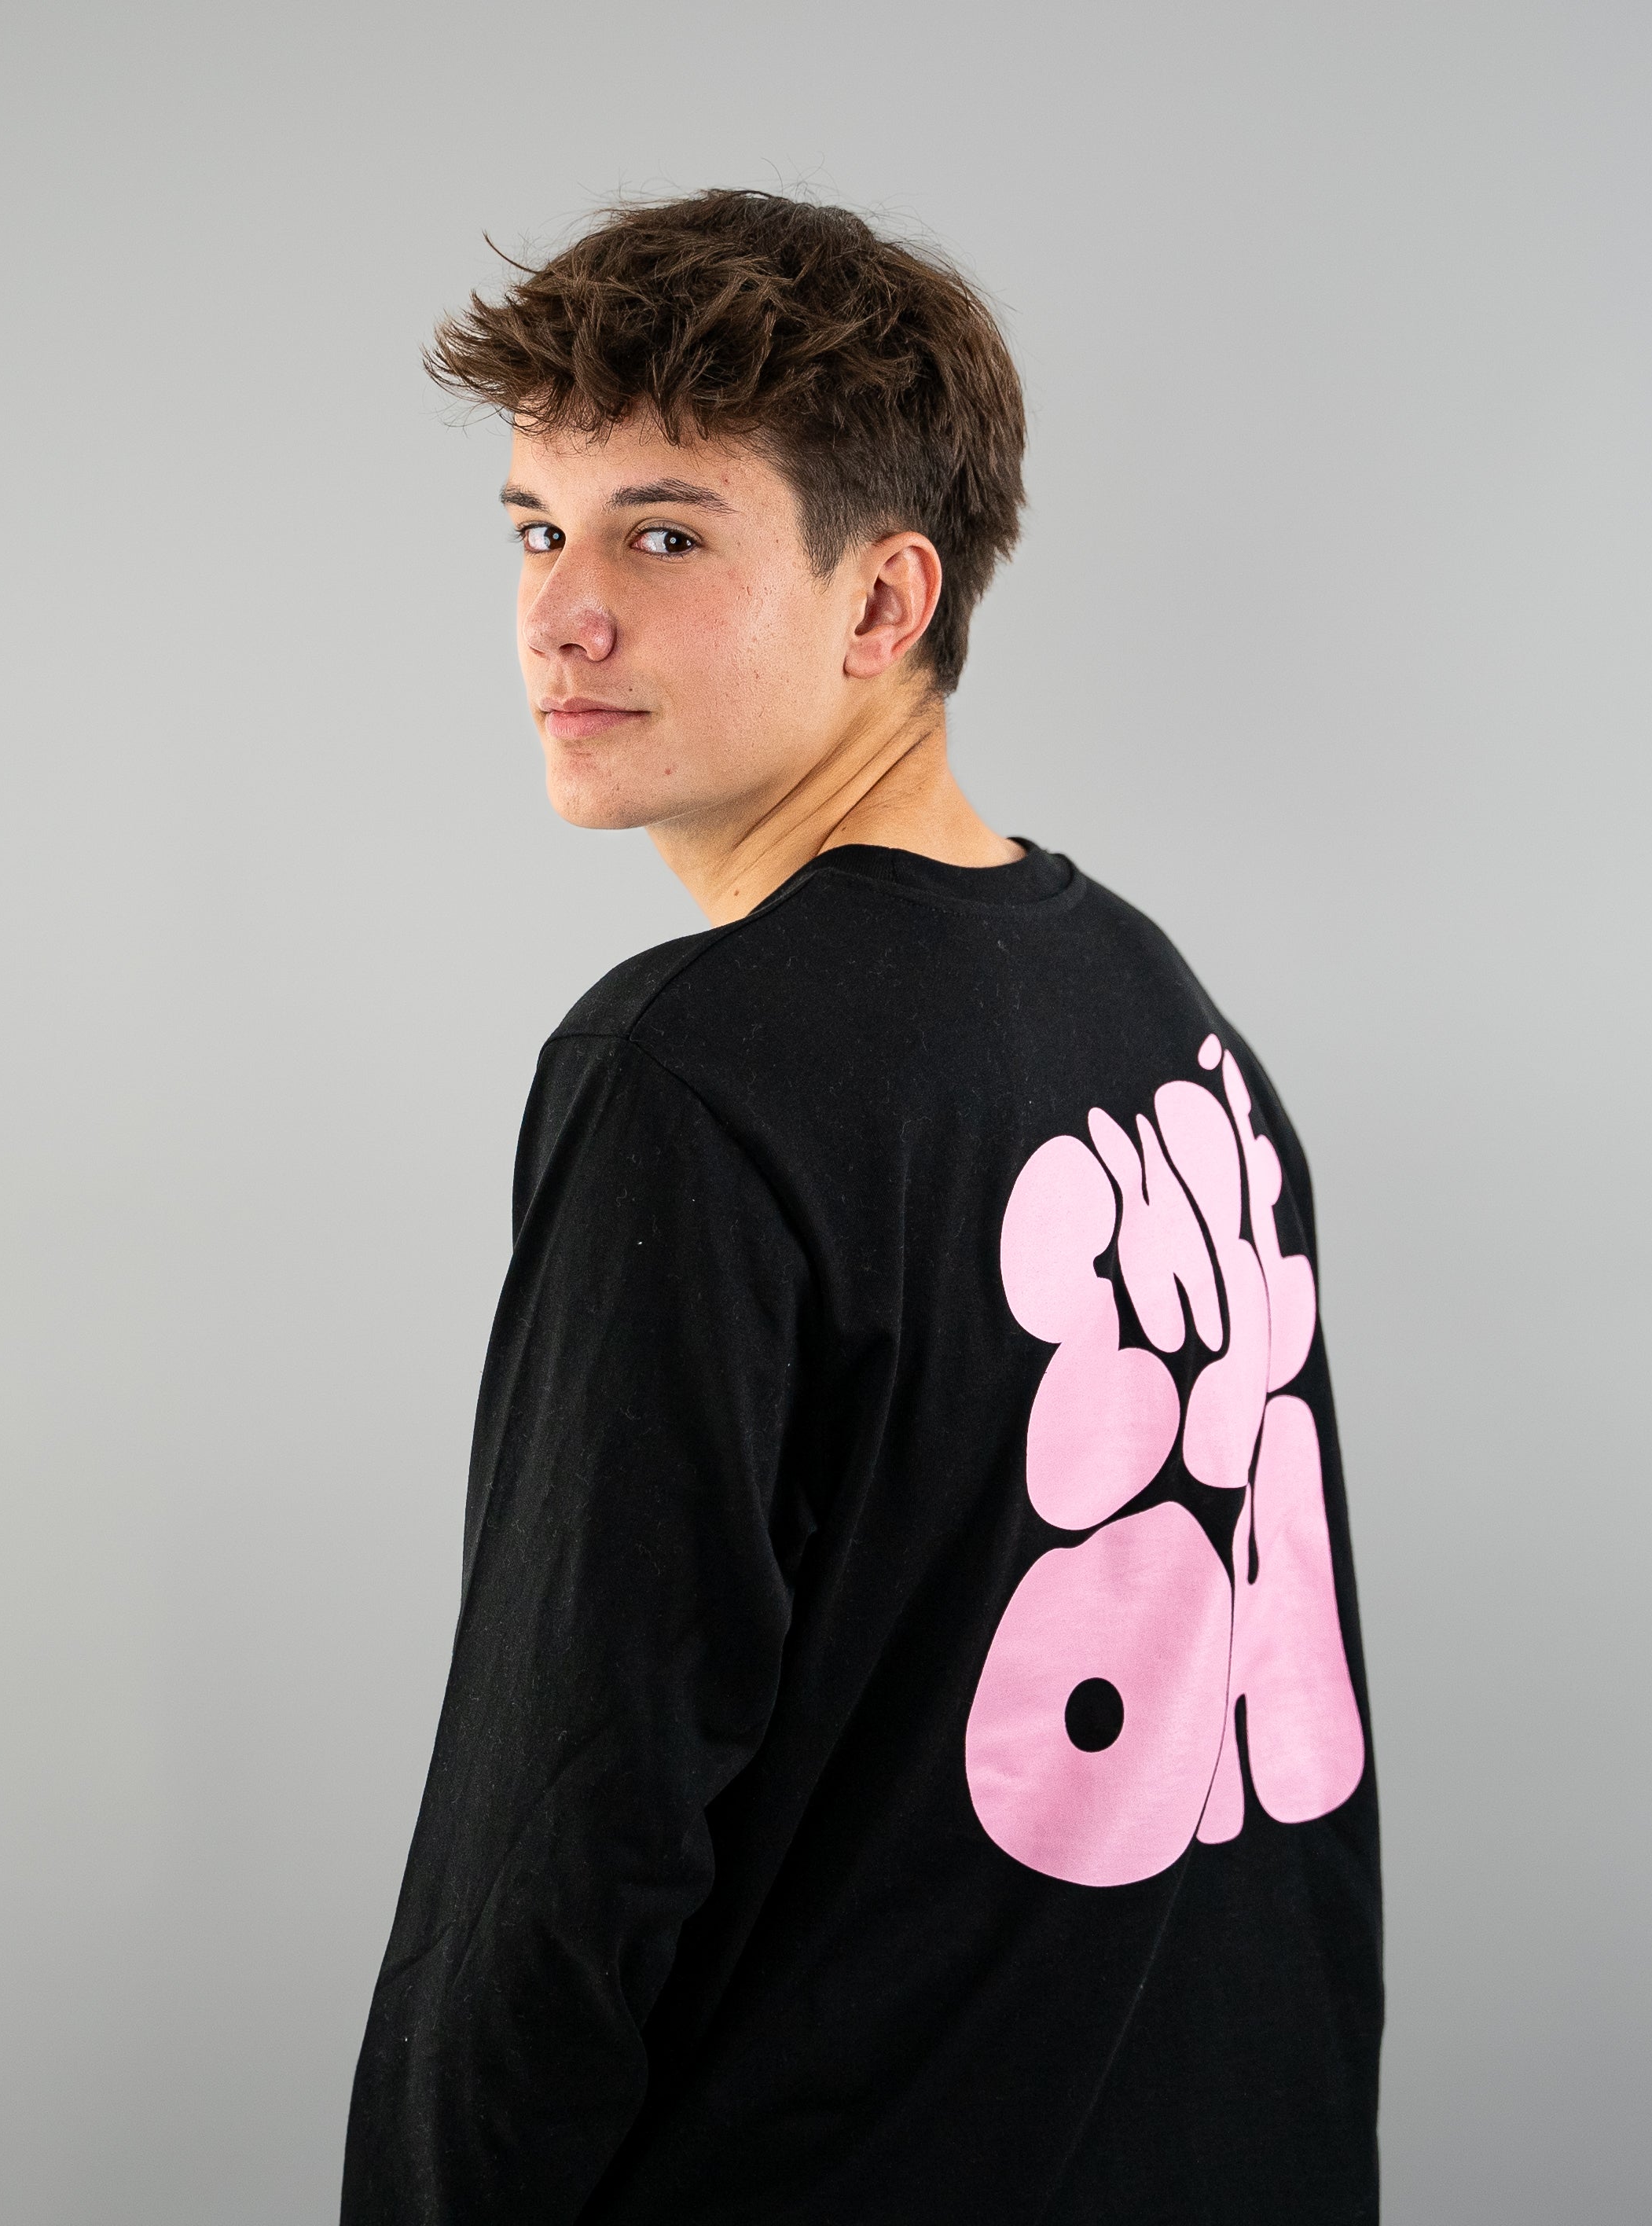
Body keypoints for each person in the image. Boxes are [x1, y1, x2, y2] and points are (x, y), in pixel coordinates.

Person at [343, 189, 1380, 2224]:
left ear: (884, 602)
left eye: (662, 537)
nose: (563, 616)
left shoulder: (700, 1077)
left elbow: (566, 1838)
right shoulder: (1166, 1023)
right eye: (537, 532)